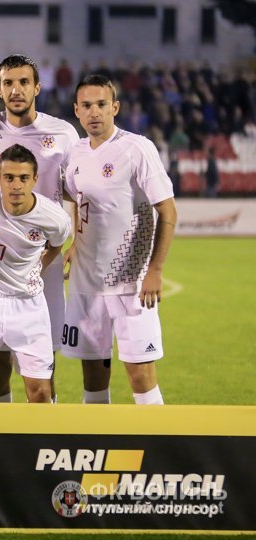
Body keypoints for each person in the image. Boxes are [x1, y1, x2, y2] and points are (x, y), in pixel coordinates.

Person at [0, 54, 80, 404]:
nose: (16, 90)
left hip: (44, 261)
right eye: (8, 83)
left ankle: (42, 432)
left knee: (43, 368)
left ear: (37, 87)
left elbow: (81, 189)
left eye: (24, 82)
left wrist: (76, 240)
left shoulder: (63, 133)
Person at [64, 75, 178, 405]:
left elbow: (168, 210)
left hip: (132, 283)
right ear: (77, 110)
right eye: (87, 105)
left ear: (115, 107)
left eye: (101, 104)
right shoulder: (75, 152)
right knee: (93, 377)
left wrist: (155, 270)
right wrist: (75, 241)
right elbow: (77, 199)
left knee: (140, 375)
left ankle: (158, 438)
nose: (94, 112)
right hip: (86, 284)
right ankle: (98, 437)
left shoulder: (137, 148)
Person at [0, 144, 71, 403]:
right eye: (9, 177)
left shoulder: (55, 218)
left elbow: (56, 244)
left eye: (23, 178)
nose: (16, 185)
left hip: (28, 306)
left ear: (35, 179)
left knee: (40, 393)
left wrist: (38, 268)